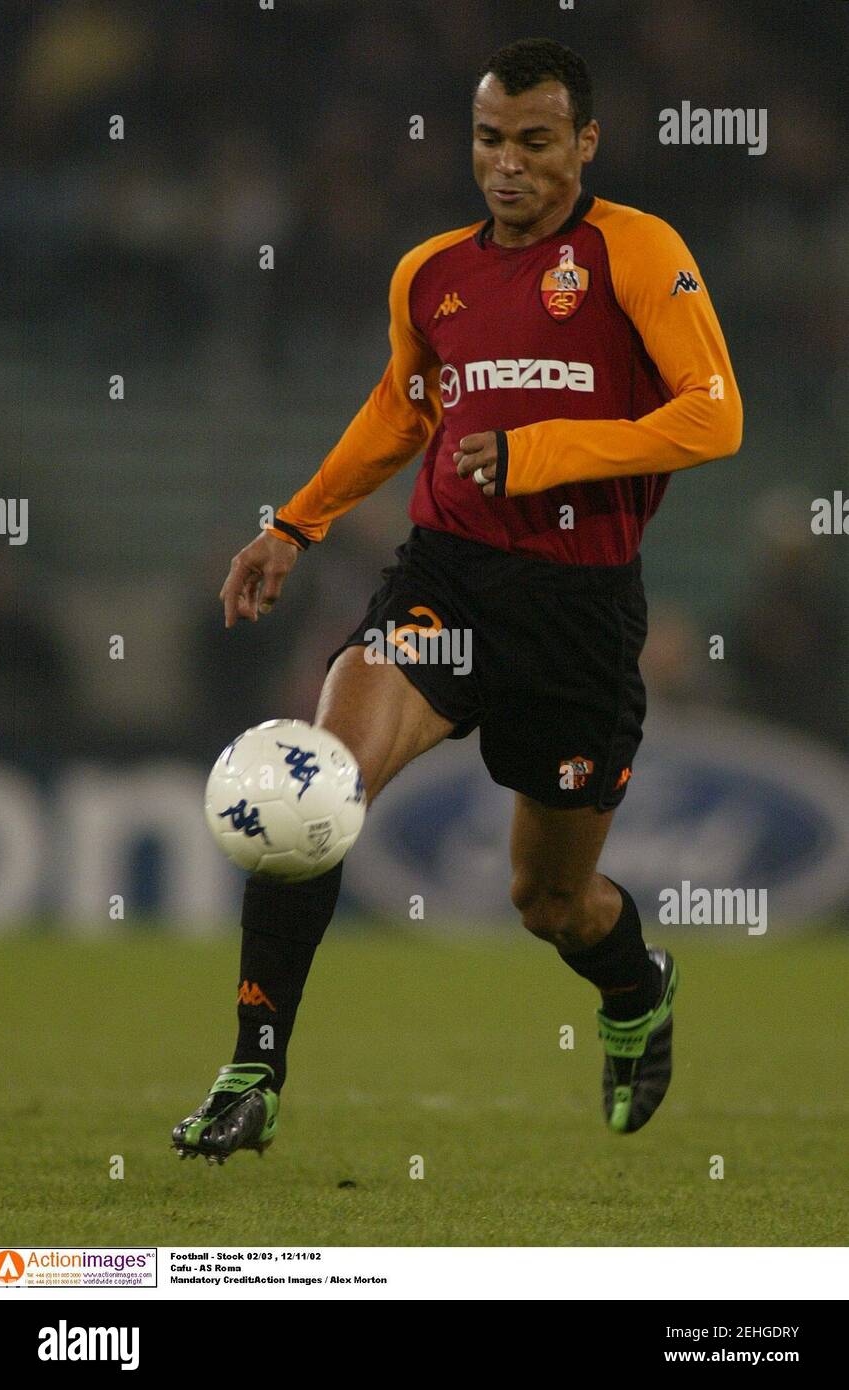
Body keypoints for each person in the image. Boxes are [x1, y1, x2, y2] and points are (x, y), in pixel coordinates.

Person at [172, 37, 742, 1162]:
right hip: (448, 579)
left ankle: (634, 984)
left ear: (585, 142)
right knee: (315, 790)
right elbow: (400, 408)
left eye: (537, 142)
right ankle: (255, 1066)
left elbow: (713, 415)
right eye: (490, 140)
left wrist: (540, 454)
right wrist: (296, 520)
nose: (509, 166)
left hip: (580, 611)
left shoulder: (635, 251)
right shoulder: (431, 273)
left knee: (551, 902)